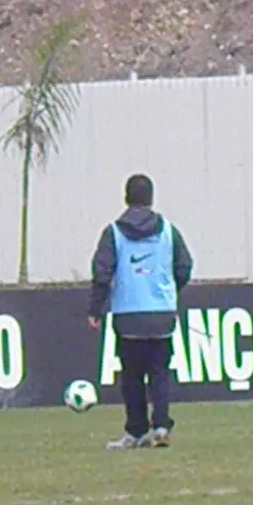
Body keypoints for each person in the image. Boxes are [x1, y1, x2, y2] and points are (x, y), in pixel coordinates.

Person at [87, 172, 194, 450]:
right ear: (151, 199)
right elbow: (184, 266)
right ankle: (160, 426)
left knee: (131, 376)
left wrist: (95, 309)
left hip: (128, 315)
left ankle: (135, 432)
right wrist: (167, 291)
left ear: (126, 198)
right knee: (159, 372)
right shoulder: (169, 231)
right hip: (162, 314)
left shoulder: (113, 232)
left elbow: (102, 272)